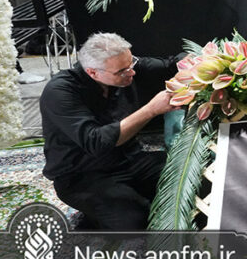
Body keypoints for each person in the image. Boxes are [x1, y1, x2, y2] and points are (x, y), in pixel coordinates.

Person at [40, 33, 180, 230]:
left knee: (193, 183)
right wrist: (151, 110)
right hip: (82, 175)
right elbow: (96, 141)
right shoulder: (60, 91)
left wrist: (197, 63)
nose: (131, 72)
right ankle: (93, 217)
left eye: (131, 63)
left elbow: (172, 64)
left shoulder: (125, 67)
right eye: (122, 71)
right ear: (93, 72)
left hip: (129, 159)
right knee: (137, 222)